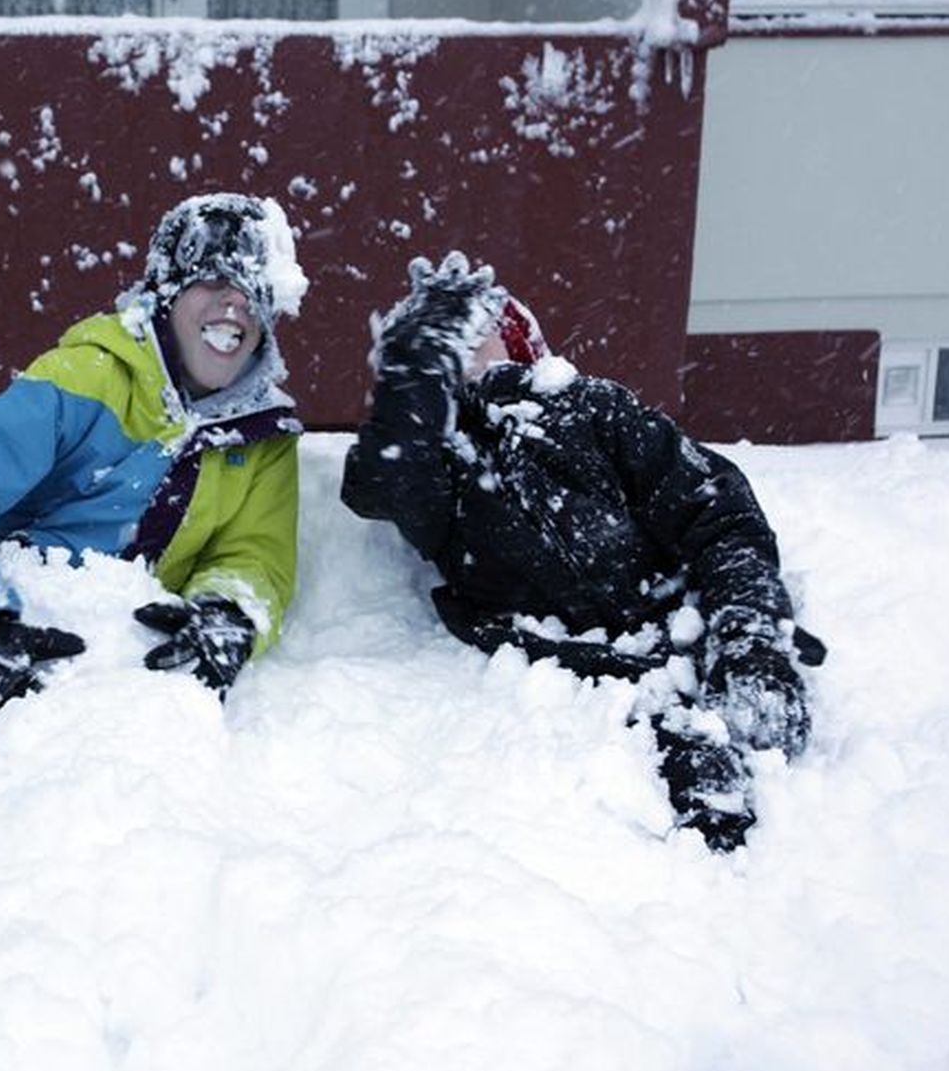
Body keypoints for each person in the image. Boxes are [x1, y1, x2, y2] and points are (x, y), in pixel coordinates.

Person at [341, 252, 824, 852]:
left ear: (518, 341)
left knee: (759, 702)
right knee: (670, 741)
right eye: (444, 339)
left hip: (674, 608)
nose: (462, 347)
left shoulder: (592, 408)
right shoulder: (438, 469)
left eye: (476, 329)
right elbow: (381, 479)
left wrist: (747, 621)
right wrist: (415, 373)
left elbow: (713, 507)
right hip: (578, 658)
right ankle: (704, 795)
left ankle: (749, 674)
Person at [0, 193, 308, 724]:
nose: (235, 304)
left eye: (254, 291)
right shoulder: (89, 380)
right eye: (212, 282)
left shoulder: (263, 436)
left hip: (130, 672)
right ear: (167, 296)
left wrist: (226, 615)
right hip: (18, 638)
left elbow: (253, 555)